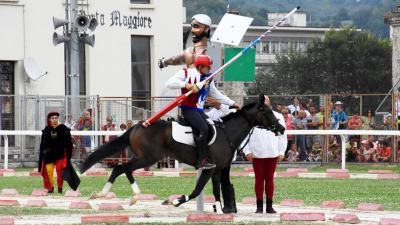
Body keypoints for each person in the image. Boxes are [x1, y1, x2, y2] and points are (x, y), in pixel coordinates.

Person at [166, 55, 239, 170]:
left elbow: (216, 94)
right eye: (207, 67)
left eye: (210, 67)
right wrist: (186, 85)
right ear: (199, 66)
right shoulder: (186, 73)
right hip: (188, 109)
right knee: (203, 129)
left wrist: (232, 103)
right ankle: (201, 160)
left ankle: (209, 155)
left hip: (199, 110)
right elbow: (169, 83)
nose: (209, 69)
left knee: (212, 127)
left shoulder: (209, 78)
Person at [243, 96, 287, 214]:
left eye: (266, 101)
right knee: (258, 179)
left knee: (270, 179)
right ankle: (259, 206)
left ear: (269, 102)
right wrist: (247, 151)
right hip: (257, 153)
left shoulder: (278, 116)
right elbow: (245, 134)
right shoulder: (253, 116)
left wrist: (281, 151)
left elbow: (282, 135)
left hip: (273, 152)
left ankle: (269, 206)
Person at [38, 112, 73, 193]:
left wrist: (68, 155)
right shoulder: (46, 129)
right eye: (53, 118)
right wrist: (42, 153)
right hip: (49, 154)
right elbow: (42, 144)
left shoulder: (63, 128)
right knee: (49, 171)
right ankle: (51, 188)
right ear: (49, 119)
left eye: (56, 118)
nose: (54, 120)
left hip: (60, 154)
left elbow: (69, 143)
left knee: (59, 172)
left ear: (58, 119)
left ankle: (60, 188)